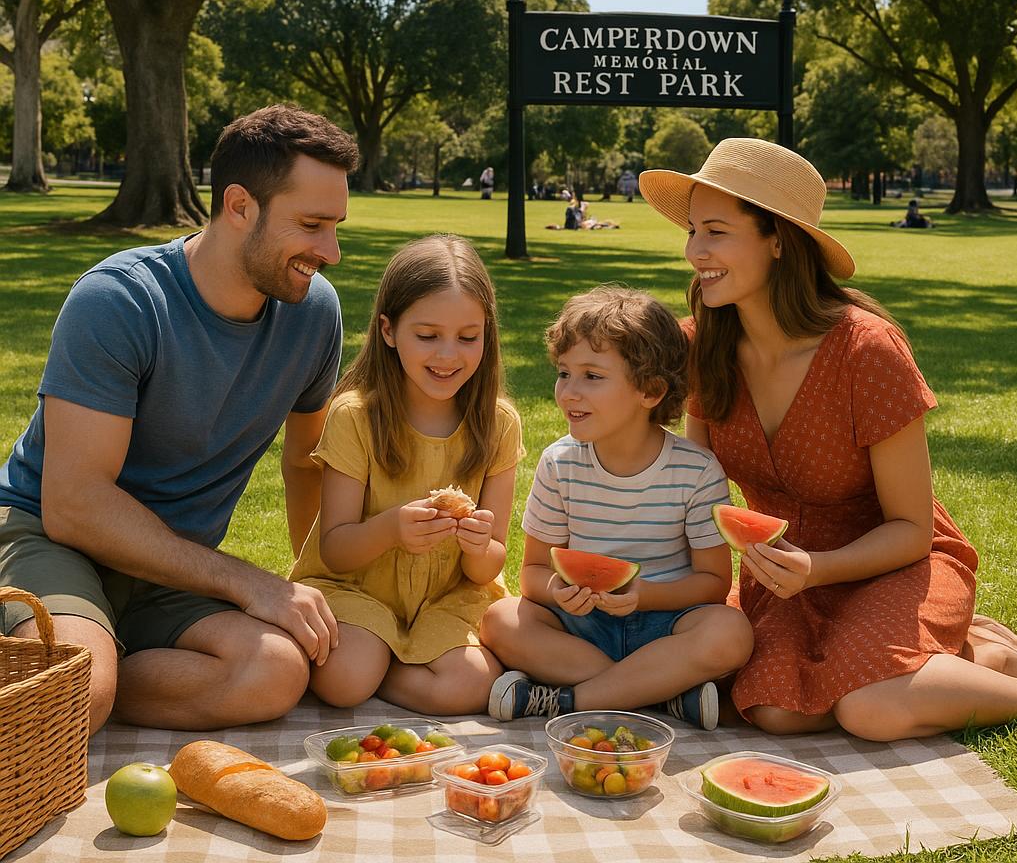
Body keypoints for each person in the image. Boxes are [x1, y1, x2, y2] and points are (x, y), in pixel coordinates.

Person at [638, 137, 1017, 740]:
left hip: (895, 563)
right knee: (777, 712)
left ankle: (990, 667)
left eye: (716, 232)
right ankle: (969, 653)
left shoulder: (866, 350)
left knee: (870, 708)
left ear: (778, 241)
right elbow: (694, 487)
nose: (694, 251)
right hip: (784, 575)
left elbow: (912, 529)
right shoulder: (701, 346)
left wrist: (818, 567)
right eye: (692, 231)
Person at [0, 104, 359, 734]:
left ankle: (94, 669)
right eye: (310, 225)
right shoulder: (120, 302)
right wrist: (247, 582)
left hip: (170, 565)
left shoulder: (313, 314)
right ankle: (82, 676)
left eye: (336, 227)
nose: (329, 251)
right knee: (75, 695)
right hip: (50, 536)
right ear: (239, 205)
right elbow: (74, 505)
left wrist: (316, 583)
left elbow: (306, 462)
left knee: (276, 670)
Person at [481, 286, 753, 727]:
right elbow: (532, 572)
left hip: (665, 625)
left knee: (730, 633)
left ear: (651, 391)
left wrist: (644, 595)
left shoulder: (697, 470)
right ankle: (658, 693)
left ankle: (566, 700)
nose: (569, 392)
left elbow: (714, 583)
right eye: (564, 373)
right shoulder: (559, 462)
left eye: (592, 376)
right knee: (499, 620)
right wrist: (556, 591)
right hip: (581, 627)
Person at [289, 235, 524, 715]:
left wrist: (479, 545)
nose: (448, 355)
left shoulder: (498, 423)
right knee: (346, 680)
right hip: (359, 589)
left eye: (468, 337)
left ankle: (389, 666)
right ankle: (380, 663)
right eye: (428, 335)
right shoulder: (354, 416)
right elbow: (335, 549)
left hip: (447, 597)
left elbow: (488, 565)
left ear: (488, 334)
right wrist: (392, 528)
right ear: (389, 330)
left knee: (467, 686)